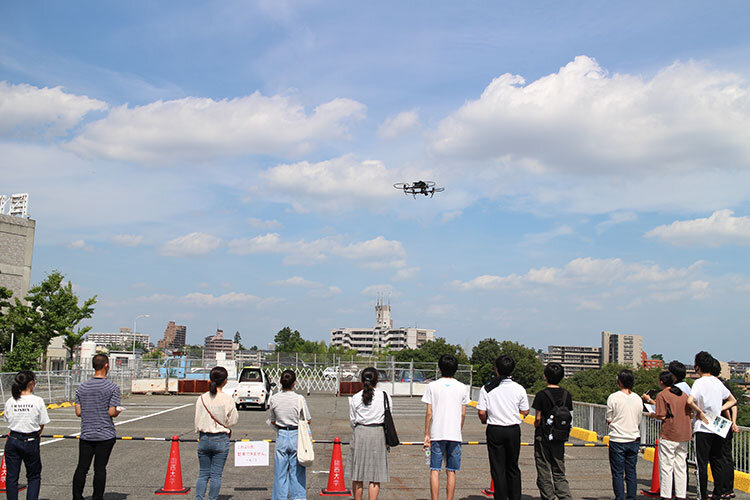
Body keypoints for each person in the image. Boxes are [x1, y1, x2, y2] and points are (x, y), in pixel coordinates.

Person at [476, 355, 529, 500]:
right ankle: (515, 496)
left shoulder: (487, 388)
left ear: (496, 369)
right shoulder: (519, 388)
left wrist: (484, 420)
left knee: (498, 467)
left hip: (495, 428)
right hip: (513, 429)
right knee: (513, 466)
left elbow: (481, 411)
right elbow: (525, 411)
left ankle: (500, 497)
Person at [646, 371, 702, 500]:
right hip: (684, 434)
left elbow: (661, 415)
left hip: (669, 434)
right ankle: (681, 495)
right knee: (681, 467)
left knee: (666, 467)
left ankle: (666, 495)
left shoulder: (662, 395)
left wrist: (652, 414)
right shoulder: (682, 394)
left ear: (661, 382)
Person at [72, 353, 122, 500]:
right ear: (106, 365)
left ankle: (77, 496)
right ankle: (97, 497)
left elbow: (78, 412)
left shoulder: (82, 387)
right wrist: (118, 411)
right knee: (100, 469)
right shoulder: (112, 387)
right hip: (105, 433)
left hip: (87, 432)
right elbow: (112, 412)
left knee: (82, 468)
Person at [688, 351, 736, 500]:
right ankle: (718, 494)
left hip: (702, 428)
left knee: (701, 464)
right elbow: (732, 400)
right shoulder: (717, 382)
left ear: (698, 367)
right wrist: (717, 410)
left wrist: (700, 412)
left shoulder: (699, 382)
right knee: (717, 461)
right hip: (717, 427)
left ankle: (702, 495)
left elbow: (689, 401)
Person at [422, 354, 470, 500]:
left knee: (435, 470)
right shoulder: (463, 387)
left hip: (437, 433)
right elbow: (463, 414)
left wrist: (426, 434)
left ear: (439, 369)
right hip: (454, 434)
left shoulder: (432, 386)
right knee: (451, 471)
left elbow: (429, 412)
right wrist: (458, 429)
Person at [3, 370, 50, 500]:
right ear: (30, 383)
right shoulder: (37, 401)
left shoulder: (10, 401)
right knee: (34, 476)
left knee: (12, 477)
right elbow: (42, 423)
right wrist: (38, 434)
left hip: (13, 439)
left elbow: (7, 419)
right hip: (30, 439)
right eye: (35, 381)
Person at [347, 367, 392, 500]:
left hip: (360, 433)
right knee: (375, 475)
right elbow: (388, 416)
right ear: (377, 380)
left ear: (361, 380)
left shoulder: (355, 398)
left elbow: (352, 420)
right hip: (378, 433)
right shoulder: (384, 396)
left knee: (358, 474)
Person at [194, 366, 238, 500]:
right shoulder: (227, 399)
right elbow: (233, 420)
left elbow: (197, 419)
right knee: (216, 475)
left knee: (203, 474)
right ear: (225, 381)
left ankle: (199, 498)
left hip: (204, 438)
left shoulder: (202, 398)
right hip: (220, 438)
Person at [532, 362, 573, 500]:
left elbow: (537, 418)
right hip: (560, 436)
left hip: (543, 436)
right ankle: (565, 496)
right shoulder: (567, 395)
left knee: (544, 469)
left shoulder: (541, 395)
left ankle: (548, 497)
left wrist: (536, 424)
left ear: (546, 377)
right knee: (559, 469)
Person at [269, 369, 311, 500]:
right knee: (297, 472)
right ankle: (298, 497)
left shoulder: (274, 398)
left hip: (281, 434)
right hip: (296, 435)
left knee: (280, 472)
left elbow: (273, 419)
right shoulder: (299, 399)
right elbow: (307, 419)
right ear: (294, 383)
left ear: (280, 382)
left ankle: (279, 497)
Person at [606, 369, 642, 500]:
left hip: (618, 439)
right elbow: (638, 419)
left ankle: (620, 497)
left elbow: (609, 418)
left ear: (619, 381)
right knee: (631, 472)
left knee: (618, 473)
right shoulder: (638, 398)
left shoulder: (613, 397)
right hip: (633, 438)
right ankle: (631, 497)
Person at [711, 358, 737, 499]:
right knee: (727, 457)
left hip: (719, 424)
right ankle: (729, 489)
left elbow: (725, 406)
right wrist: (733, 422)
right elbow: (734, 404)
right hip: (727, 425)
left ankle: (721, 489)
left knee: (719, 458)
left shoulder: (716, 385)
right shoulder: (724, 384)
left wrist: (728, 420)